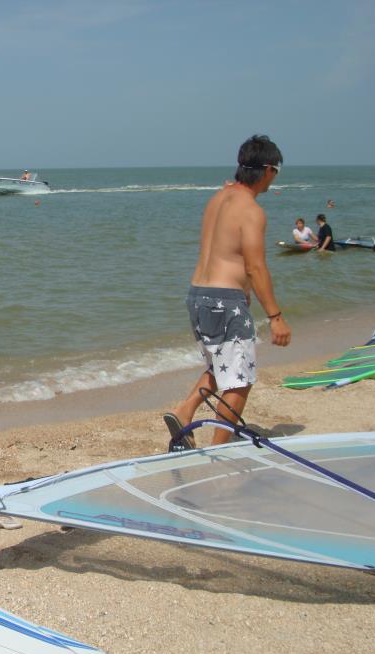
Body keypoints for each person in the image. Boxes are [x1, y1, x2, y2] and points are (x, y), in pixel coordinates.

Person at [163, 135, 291, 449]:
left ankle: (185, 409)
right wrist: (276, 317)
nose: (275, 178)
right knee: (241, 378)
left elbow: (223, 250)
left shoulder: (217, 199)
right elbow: (255, 267)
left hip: (198, 294)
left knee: (220, 365)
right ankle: (218, 450)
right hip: (225, 299)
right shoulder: (251, 210)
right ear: (267, 170)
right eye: (276, 171)